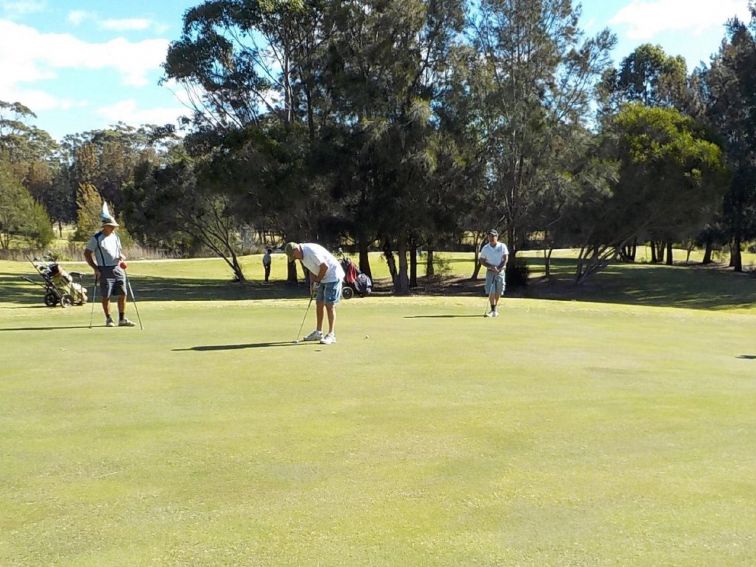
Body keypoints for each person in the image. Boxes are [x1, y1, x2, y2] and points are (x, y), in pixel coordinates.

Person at [285, 241, 345, 345]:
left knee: (329, 304)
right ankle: (318, 332)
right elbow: (312, 269)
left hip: (333, 275)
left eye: (294, 256)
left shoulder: (310, 251)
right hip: (322, 276)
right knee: (319, 303)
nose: (295, 258)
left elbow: (324, 267)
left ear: (296, 250)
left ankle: (331, 334)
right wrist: (312, 285)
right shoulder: (302, 256)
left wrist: (317, 281)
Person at [84, 216, 136, 327]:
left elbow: (118, 251)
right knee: (106, 295)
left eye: (114, 227)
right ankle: (109, 319)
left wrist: (121, 257)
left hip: (118, 268)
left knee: (123, 293)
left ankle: (122, 319)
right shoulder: (96, 238)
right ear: (105, 226)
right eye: (111, 226)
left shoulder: (116, 237)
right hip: (104, 269)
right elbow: (87, 253)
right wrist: (95, 268)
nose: (113, 228)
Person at [479, 229, 509, 317]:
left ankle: (494, 308)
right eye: (489, 236)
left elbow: (505, 258)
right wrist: (491, 266)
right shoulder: (485, 248)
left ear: (497, 237)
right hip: (490, 271)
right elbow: (482, 260)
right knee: (491, 290)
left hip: (500, 271)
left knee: (499, 291)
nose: (491, 238)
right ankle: (493, 310)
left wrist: (499, 268)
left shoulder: (502, 246)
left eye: (493, 236)